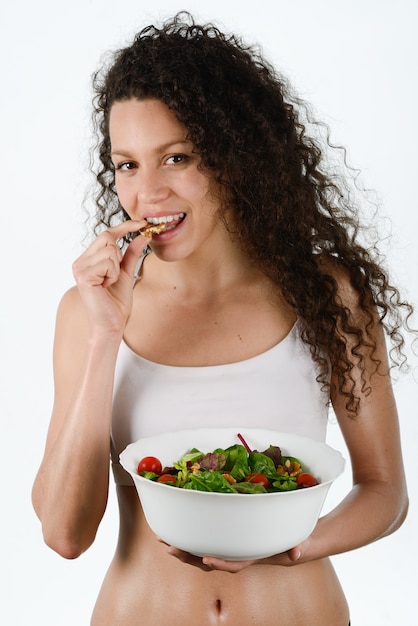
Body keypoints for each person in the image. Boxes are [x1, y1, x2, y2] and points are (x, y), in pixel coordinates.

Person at [32, 12, 413, 626]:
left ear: (235, 156)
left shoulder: (326, 292)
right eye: (127, 164)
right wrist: (106, 336)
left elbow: (385, 493)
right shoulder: (87, 312)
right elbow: (64, 533)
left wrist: (294, 549)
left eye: (177, 157)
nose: (146, 192)